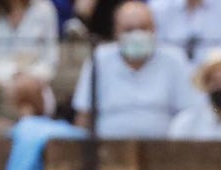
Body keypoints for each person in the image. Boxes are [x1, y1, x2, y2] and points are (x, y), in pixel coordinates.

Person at [72, 0, 200, 138]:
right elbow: (84, 114)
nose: (137, 35)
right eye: (129, 30)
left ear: (154, 29)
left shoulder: (174, 59)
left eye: (143, 28)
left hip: (164, 151)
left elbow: (189, 112)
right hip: (108, 150)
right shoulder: (100, 59)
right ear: (116, 32)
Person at [147, 0, 221, 64]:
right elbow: (153, 47)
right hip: (170, 77)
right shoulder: (158, 7)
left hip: (214, 78)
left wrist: (214, 61)